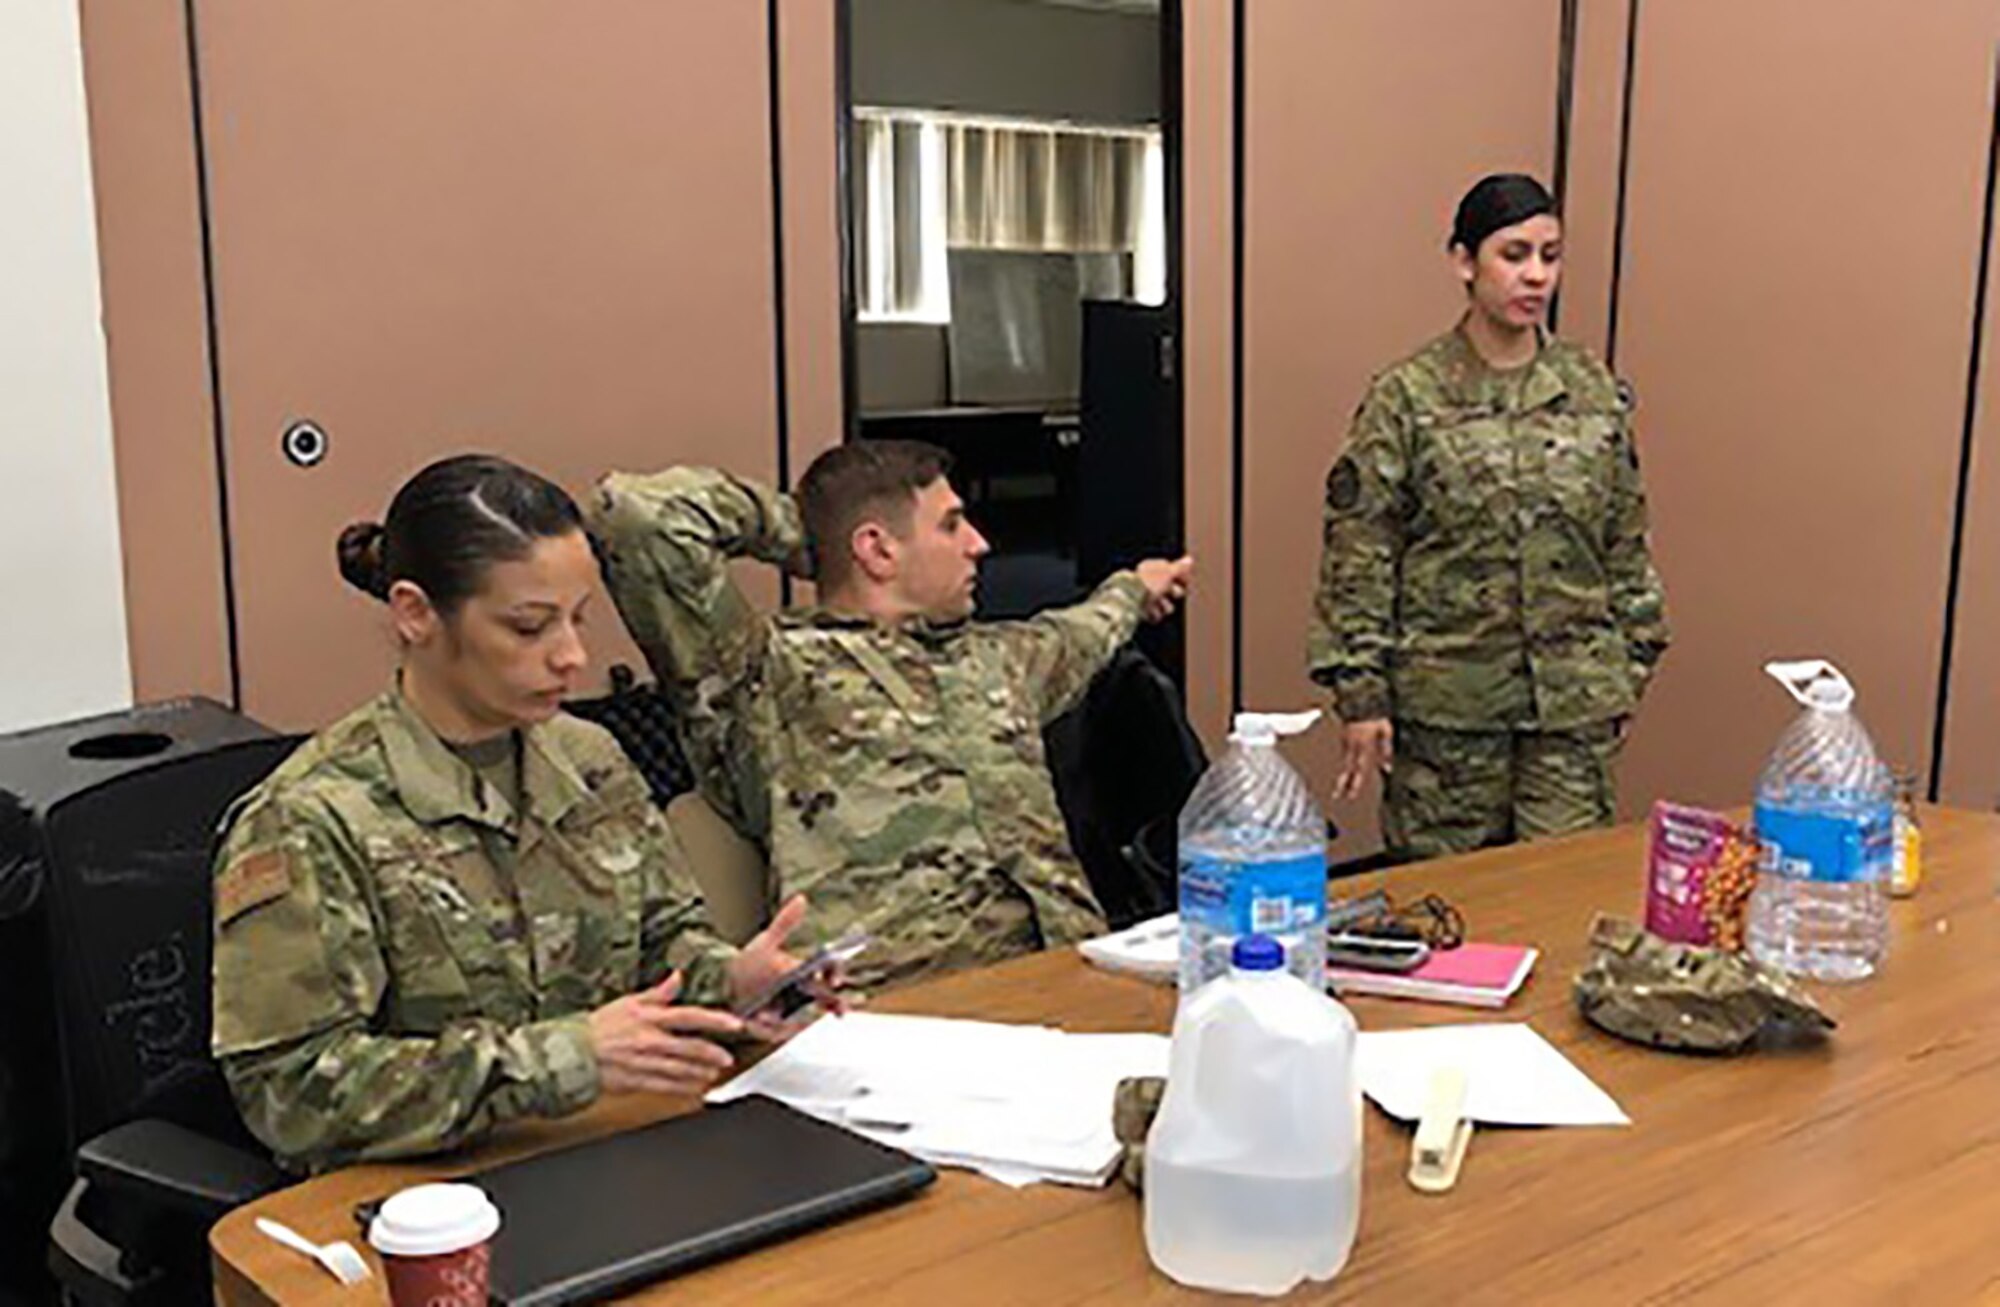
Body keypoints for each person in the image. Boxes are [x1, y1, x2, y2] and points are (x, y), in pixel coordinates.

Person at [212, 455, 830, 1175]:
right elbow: (289, 1095)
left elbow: (662, 941)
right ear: (416, 613)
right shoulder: (312, 817)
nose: (572, 656)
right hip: (433, 1192)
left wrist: (732, 982)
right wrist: (561, 1059)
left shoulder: (587, 758)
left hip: (609, 1150)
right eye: (530, 627)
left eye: (578, 618)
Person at [588, 441, 1193, 990]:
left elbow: (1085, 629)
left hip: (1066, 973)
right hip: (893, 1004)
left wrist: (1136, 588)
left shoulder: (1001, 657)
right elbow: (638, 515)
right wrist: (816, 539)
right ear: (877, 548)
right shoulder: (767, 674)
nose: (979, 544)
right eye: (951, 524)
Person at [1308, 173, 1671, 862]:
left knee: (1561, 893)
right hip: (1447, 715)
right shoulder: (1408, 397)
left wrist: (1629, 666)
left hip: (1571, 711)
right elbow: (1360, 555)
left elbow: (1624, 540)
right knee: (1450, 902)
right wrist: (1362, 695)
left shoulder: (1591, 391)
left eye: (1550, 256)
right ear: (1464, 261)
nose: (1536, 275)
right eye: (1514, 254)